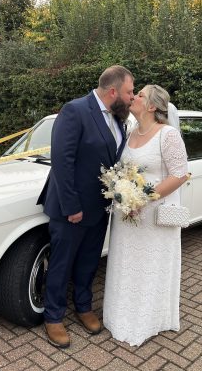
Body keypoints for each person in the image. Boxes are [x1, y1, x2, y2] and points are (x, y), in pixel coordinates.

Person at [37, 66, 135, 348]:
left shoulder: (118, 119)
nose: (131, 97)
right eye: (129, 91)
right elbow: (62, 161)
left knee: (89, 261)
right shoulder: (75, 110)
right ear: (113, 91)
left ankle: (83, 307)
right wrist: (72, 206)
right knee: (61, 263)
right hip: (73, 209)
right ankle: (53, 317)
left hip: (100, 208)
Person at [103, 84, 189, 346]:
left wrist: (143, 197)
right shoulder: (129, 132)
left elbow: (180, 174)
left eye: (140, 95)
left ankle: (148, 319)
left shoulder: (168, 135)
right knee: (125, 262)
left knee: (149, 266)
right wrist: (121, 191)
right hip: (127, 216)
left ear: (152, 106)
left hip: (153, 217)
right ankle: (120, 314)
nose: (134, 97)